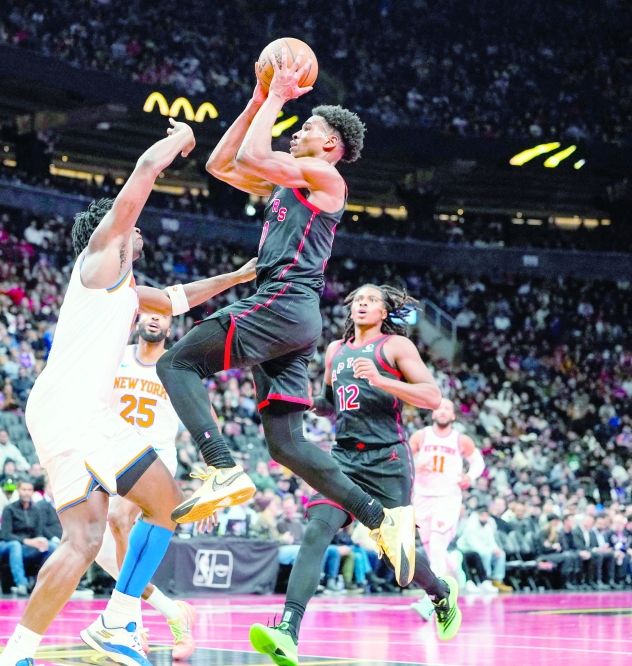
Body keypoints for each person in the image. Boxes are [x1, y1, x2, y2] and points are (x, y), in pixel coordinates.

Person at [0, 119, 256, 666]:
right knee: (153, 511)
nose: (140, 233)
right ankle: (115, 621)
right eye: (134, 229)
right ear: (115, 231)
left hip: (71, 414)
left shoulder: (130, 292)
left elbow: (178, 299)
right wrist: (182, 141)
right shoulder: (101, 258)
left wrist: (237, 277)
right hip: (74, 412)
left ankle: (21, 652)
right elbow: (143, 170)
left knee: (92, 537)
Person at [158, 47, 415, 591]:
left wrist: (275, 95)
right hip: (294, 319)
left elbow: (254, 155)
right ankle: (378, 518)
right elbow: (220, 164)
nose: (296, 132)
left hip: (282, 301)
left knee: (178, 362)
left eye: (307, 127)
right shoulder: (290, 180)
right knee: (287, 445)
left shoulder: (325, 176)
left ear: (330, 144)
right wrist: (256, 99)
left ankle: (220, 464)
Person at [252, 285, 460, 666]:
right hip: (344, 459)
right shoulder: (335, 351)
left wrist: (382, 381)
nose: (362, 304)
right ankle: (287, 630)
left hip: (388, 460)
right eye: (358, 300)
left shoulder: (395, 347)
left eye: (371, 300)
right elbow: (331, 405)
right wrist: (302, 400)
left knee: (403, 563)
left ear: (383, 312)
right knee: (316, 531)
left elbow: (431, 397)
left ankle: (441, 592)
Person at [93, 312, 198, 660]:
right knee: (102, 551)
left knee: (120, 519)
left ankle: (128, 627)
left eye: (163, 316)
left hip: (155, 457)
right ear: (138, 319)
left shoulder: (176, 365)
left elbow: (199, 414)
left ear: (171, 327)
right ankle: (172, 613)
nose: (155, 320)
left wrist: (212, 471)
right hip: (111, 453)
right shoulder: (116, 357)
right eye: (149, 313)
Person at [410, 399, 484, 579]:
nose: (442, 411)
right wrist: (415, 465)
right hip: (422, 496)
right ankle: (453, 565)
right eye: (439, 408)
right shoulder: (421, 436)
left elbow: (478, 462)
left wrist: (470, 476)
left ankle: (437, 595)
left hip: (448, 497)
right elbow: (404, 458)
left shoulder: (461, 439)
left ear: (452, 415)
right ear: (433, 413)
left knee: (436, 541)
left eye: (447, 409)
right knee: (430, 546)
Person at [0, 479, 58, 595]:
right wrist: (28, 541)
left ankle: (40, 582)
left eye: (30, 490)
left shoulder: (36, 510)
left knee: (52, 547)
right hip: (4, 545)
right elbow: (5, 534)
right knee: (15, 545)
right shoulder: (9, 509)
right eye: (24, 489)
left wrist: (41, 540)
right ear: (18, 490)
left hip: (26, 546)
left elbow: (38, 533)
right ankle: (21, 583)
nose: (27, 493)